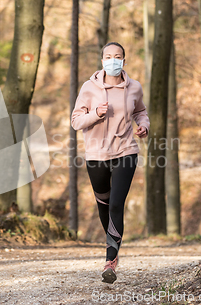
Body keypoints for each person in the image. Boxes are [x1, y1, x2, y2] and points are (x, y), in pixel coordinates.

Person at [70, 42, 150, 284]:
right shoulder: (88, 87)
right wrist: (95, 113)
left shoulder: (134, 87)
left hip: (126, 151)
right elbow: (76, 121)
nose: (113, 60)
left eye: (117, 57)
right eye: (108, 56)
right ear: (102, 60)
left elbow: (140, 111)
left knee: (116, 204)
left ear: (124, 61)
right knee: (103, 204)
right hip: (96, 155)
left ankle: (110, 260)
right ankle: (113, 243)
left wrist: (144, 125)